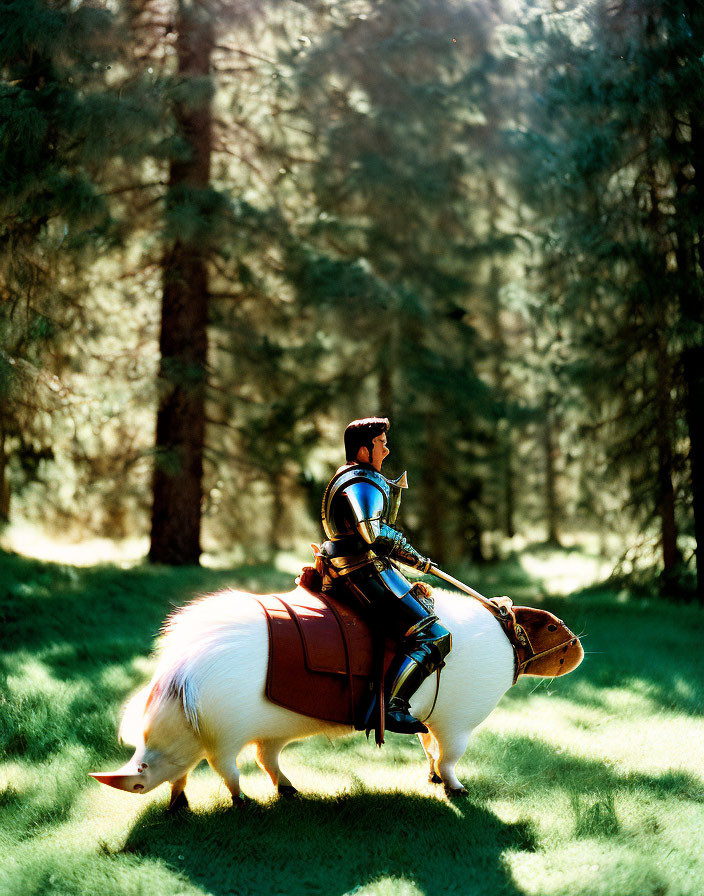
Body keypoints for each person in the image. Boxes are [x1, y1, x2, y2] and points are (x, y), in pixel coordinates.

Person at [320, 417, 452, 734]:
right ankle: (393, 707)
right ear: (365, 450)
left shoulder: (352, 478)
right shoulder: (362, 483)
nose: (386, 449)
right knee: (434, 636)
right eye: (381, 443)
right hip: (363, 571)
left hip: (355, 565)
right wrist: (413, 556)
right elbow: (370, 532)